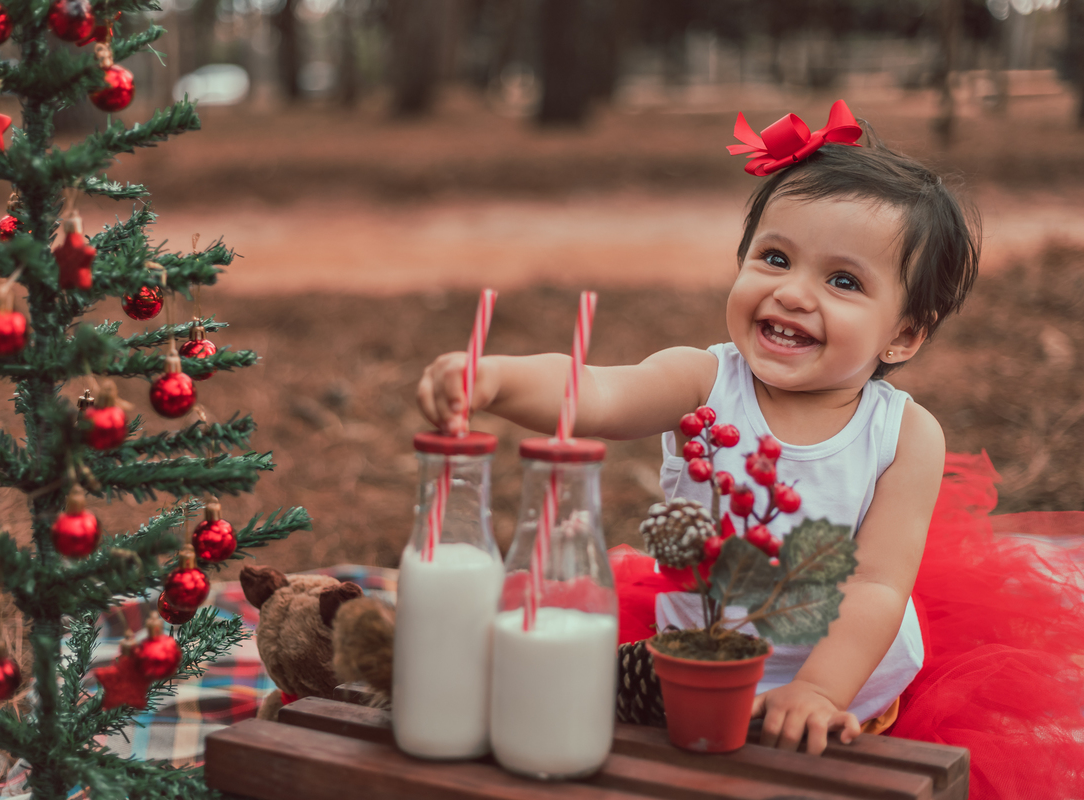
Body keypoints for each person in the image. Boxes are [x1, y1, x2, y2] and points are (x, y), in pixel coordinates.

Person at [418, 101, 1084, 799]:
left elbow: (878, 585)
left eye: (844, 281)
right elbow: (599, 392)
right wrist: (495, 379)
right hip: (694, 659)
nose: (792, 292)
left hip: (839, 681)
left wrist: (819, 689)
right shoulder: (703, 379)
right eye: (774, 258)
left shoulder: (905, 435)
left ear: (904, 335)